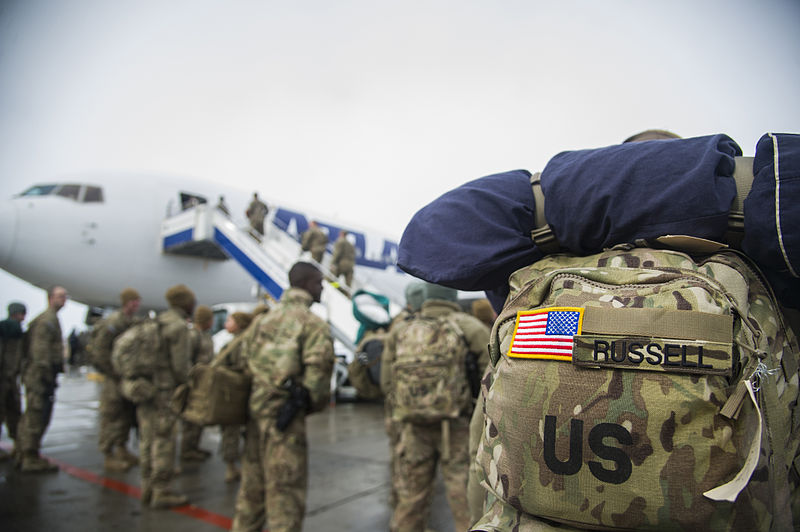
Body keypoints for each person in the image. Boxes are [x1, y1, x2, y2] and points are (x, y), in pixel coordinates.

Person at [231, 262, 334, 532]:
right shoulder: (313, 325)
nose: (322, 287)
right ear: (308, 284)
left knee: (250, 497)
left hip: (255, 420)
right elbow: (319, 380)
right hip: (286, 424)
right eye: (320, 282)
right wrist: (306, 404)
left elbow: (242, 363)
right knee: (285, 499)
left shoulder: (262, 321)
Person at [381, 283, 490, 532]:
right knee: (463, 497)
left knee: (411, 497)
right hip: (456, 427)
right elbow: (490, 380)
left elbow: (387, 382)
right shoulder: (470, 327)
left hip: (412, 427)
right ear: (452, 294)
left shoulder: (400, 330)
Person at [139, 284, 195, 509]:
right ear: (185, 303)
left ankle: (147, 488)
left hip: (147, 388)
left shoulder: (157, 321)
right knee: (164, 441)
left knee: (147, 439)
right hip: (165, 391)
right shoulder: (179, 327)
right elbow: (181, 367)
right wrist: (190, 385)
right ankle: (161, 491)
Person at [17, 285, 68, 473]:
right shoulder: (47, 320)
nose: (64, 300)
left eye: (65, 297)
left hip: (38, 374)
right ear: (50, 298)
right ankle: (29, 457)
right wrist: (46, 375)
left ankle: (23, 453)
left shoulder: (50, 318)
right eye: (60, 296)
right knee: (36, 415)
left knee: (34, 413)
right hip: (39, 376)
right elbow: (40, 352)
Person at [92, 288, 142, 472]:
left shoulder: (133, 322)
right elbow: (100, 351)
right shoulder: (113, 322)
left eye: (138, 301)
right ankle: (108, 454)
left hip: (127, 376)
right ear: (126, 302)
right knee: (111, 414)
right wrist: (113, 372)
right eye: (133, 301)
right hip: (115, 377)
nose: (136, 304)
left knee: (126, 414)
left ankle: (122, 448)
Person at [211, 310, 254, 483]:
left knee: (231, 432)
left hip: (234, 393)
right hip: (236, 393)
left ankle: (233, 466)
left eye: (230, 320)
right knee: (233, 432)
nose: (226, 324)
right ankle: (233, 467)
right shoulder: (239, 342)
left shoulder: (239, 343)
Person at [180, 305, 215, 462]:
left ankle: (194, 446)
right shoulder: (193, 336)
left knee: (200, 416)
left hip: (204, 382)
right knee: (191, 418)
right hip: (194, 382)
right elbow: (187, 359)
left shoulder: (206, 335)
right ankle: (187, 449)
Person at [0, 302, 26, 462]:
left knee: (13, 411)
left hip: (10, 378)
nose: (23, 317)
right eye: (21, 313)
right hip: (5, 378)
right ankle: (19, 444)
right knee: (9, 411)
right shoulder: (8, 329)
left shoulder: (14, 330)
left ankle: (18, 444)